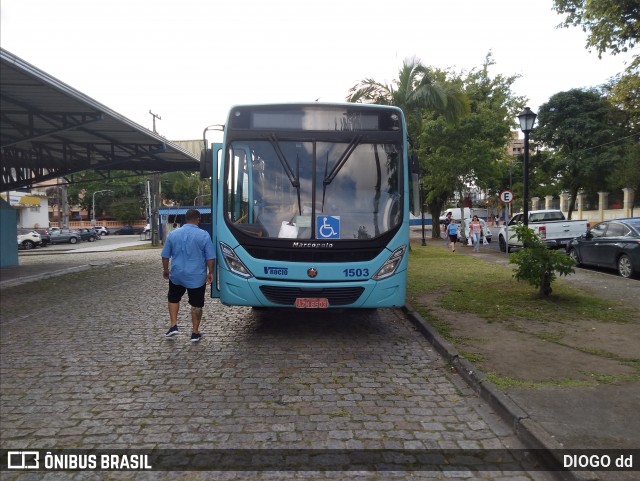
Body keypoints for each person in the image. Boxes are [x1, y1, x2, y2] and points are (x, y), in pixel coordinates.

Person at [161, 209, 215, 342]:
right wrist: (211, 272)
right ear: (198, 219)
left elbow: (165, 255)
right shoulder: (203, 235)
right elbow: (210, 257)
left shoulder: (173, 234)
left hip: (177, 274)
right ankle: (195, 333)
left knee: (173, 298)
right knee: (196, 304)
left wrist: (166, 269)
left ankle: (173, 326)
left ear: (185, 219)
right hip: (196, 276)